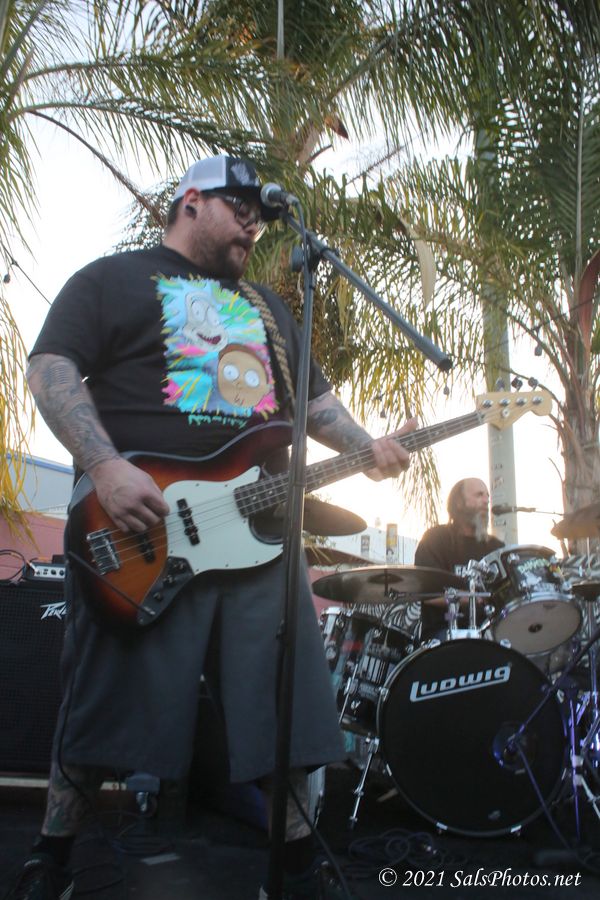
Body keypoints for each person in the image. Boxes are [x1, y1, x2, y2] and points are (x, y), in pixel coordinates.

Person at [11, 154, 414, 900]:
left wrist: (369, 448)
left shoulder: (269, 309)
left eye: (261, 217)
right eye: (240, 209)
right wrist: (104, 466)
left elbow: (315, 406)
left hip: (258, 531)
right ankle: (52, 855)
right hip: (140, 522)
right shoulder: (113, 279)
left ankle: (297, 867)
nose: (253, 226)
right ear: (191, 201)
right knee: (101, 699)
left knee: (282, 703)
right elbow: (50, 368)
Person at [414, 477, 504, 642]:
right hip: (443, 630)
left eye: (487, 496)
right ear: (459, 503)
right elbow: (428, 595)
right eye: (479, 495)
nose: (486, 501)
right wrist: (473, 599)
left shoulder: (496, 547)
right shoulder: (435, 539)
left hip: (489, 630)